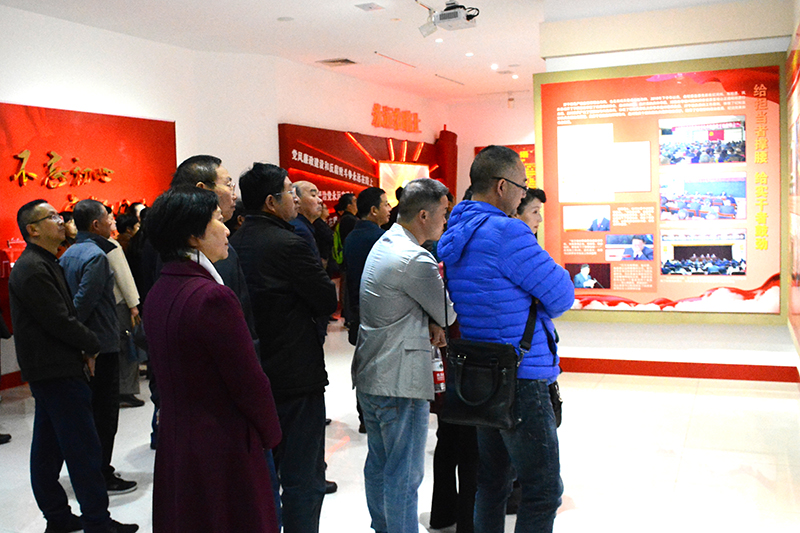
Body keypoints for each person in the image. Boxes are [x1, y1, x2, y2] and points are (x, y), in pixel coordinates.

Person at [439, 145, 574, 533]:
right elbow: (562, 295)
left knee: (491, 482)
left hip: (483, 373)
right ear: (502, 186)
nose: (523, 194)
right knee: (543, 489)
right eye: (522, 186)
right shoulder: (507, 232)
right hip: (523, 375)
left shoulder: (457, 231)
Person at [142, 187, 281, 533]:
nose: (227, 229)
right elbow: (247, 381)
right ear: (193, 236)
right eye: (218, 220)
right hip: (223, 443)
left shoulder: (160, 290)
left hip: (178, 439)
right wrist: (271, 433)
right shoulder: (212, 297)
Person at [10, 199, 138, 533]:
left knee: (49, 447)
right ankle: (97, 520)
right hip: (57, 369)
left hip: (51, 368)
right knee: (82, 447)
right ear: (32, 229)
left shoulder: (48, 261)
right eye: (51, 216)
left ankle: (58, 516)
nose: (60, 220)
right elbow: (60, 320)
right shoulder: (33, 268)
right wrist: (92, 344)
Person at [231, 162, 338, 533]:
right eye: (291, 192)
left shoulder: (233, 243)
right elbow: (325, 298)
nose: (295, 198)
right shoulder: (289, 243)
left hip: (252, 371)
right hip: (295, 372)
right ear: (271, 202)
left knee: (262, 476)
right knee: (302, 476)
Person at [353, 178, 456, 533]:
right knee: (405, 473)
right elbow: (447, 313)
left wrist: (428, 318)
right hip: (400, 379)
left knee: (380, 463)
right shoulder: (416, 258)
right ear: (424, 215)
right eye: (443, 213)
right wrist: (435, 318)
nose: (446, 220)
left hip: (373, 371)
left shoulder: (385, 243)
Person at [59, 200, 137, 495]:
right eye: (108, 219)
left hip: (88, 345)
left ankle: (93, 469)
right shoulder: (96, 256)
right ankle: (100, 473)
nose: (112, 223)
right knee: (104, 415)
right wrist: (79, 336)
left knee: (91, 414)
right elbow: (82, 303)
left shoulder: (69, 253)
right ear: (95, 224)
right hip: (100, 346)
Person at [342, 186, 391, 346]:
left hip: (358, 310)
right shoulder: (383, 239)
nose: (389, 208)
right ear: (373, 210)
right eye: (386, 204)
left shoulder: (351, 237)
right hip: (381, 313)